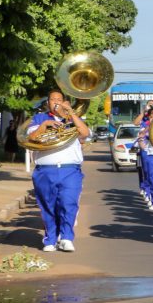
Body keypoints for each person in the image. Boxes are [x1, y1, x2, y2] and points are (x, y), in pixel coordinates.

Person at [27, 90, 91, 252]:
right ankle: (50, 239)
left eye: (59, 99)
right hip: (45, 169)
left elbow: (85, 133)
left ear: (65, 102)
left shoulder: (72, 119)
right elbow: (31, 138)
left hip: (70, 169)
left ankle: (67, 237)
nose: (56, 102)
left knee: (68, 203)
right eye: (52, 99)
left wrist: (71, 114)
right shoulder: (39, 118)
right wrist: (44, 126)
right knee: (48, 206)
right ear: (47, 102)